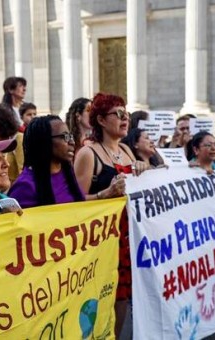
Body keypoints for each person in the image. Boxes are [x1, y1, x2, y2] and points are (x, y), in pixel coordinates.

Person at [73, 92, 149, 338]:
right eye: (118, 114)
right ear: (101, 120)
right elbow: (73, 204)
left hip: (128, 238)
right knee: (102, 297)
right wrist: (104, 195)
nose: (125, 118)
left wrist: (143, 166)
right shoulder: (88, 154)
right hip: (103, 241)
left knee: (122, 297)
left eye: (126, 113)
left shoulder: (127, 149)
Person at [8, 115, 84, 208]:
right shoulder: (24, 187)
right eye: (64, 136)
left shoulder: (67, 172)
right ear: (44, 141)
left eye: (70, 136)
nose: (72, 142)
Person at [7, 102, 36, 182]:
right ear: (21, 117)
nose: (33, 117)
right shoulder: (20, 136)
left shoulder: (33, 134)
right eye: (29, 114)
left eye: (34, 114)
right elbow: (22, 167)